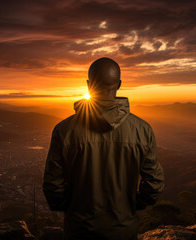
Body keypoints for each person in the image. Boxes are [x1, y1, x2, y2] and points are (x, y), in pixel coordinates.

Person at [43, 57, 164, 240]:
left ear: (89, 84)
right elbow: (154, 183)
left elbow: (53, 186)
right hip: (124, 230)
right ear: (120, 84)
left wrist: (72, 208)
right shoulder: (143, 129)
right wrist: (133, 204)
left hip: (79, 230)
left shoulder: (64, 130)